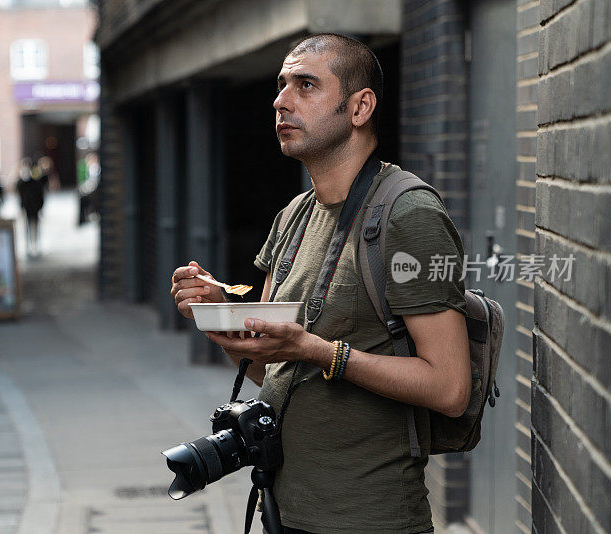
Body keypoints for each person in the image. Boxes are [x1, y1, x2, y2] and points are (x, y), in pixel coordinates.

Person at [169, 34, 470, 534]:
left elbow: (450, 387)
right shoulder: (293, 217)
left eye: (305, 85)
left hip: (370, 519)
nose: (281, 100)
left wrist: (319, 351)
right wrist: (219, 315)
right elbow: (268, 369)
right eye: (282, 85)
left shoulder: (408, 213)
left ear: (360, 107)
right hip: (284, 511)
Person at [16, 159, 46, 257]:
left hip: (34, 209)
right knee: (28, 229)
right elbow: (20, 198)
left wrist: (40, 207)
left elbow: (41, 196)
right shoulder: (21, 184)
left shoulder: (35, 184)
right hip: (27, 209)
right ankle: (29, 248)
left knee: (35, 228)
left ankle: (36, 246)